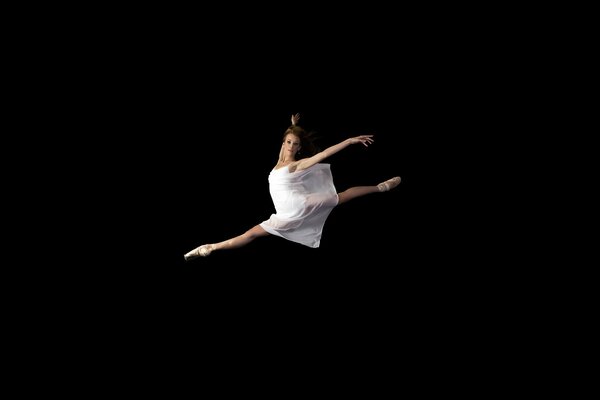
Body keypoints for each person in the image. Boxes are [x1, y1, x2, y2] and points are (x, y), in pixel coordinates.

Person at [184, 113, 401, 261]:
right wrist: (292, 124)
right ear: (283, 142)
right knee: (250, 235)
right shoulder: (281, 158)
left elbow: (323, 154)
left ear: (299, 148)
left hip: (300, 205)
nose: (291, 146)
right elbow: (288, 137)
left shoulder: (296, 165)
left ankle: (380, 187)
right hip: (285, 213)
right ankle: (210, 247)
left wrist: (349, 141)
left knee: (342, 196)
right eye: (288, 142)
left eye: (295, 144)